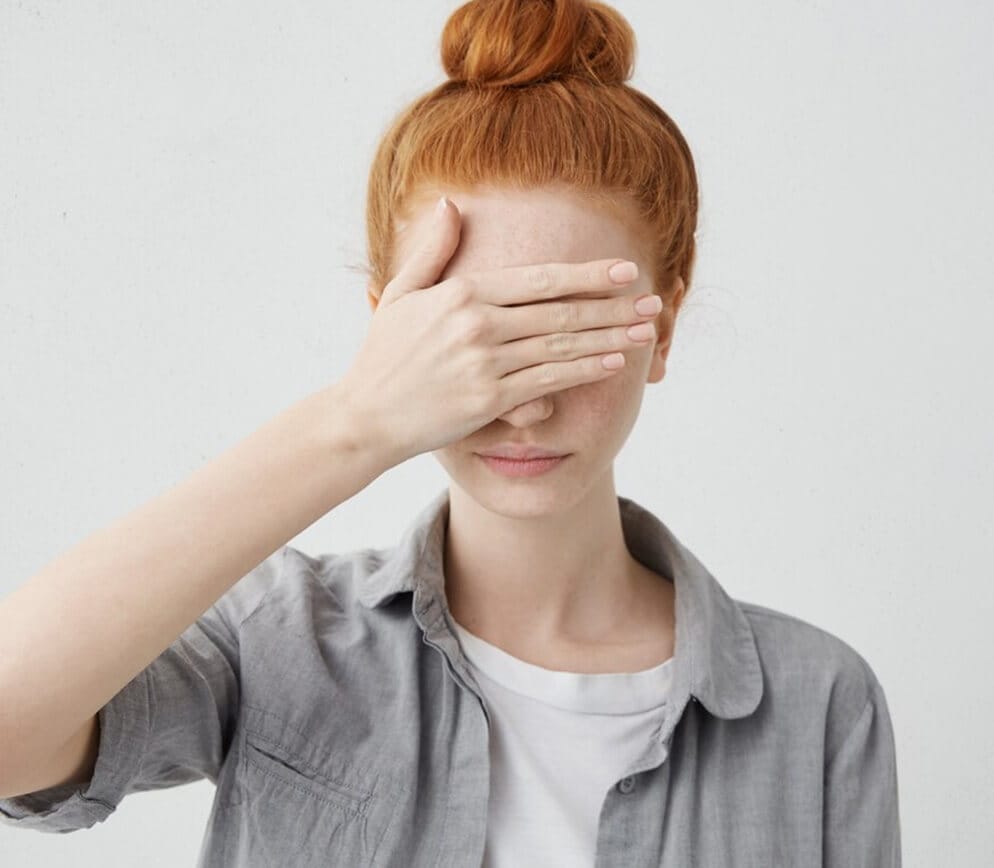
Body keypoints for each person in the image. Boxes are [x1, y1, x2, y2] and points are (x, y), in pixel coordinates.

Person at [0, 0, 901, 865]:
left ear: (660, 327)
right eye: (471, 339)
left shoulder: (817, 703)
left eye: (571, 335)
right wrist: (357, 418)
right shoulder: (281, 642)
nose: (524, 405)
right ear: (391, 332)